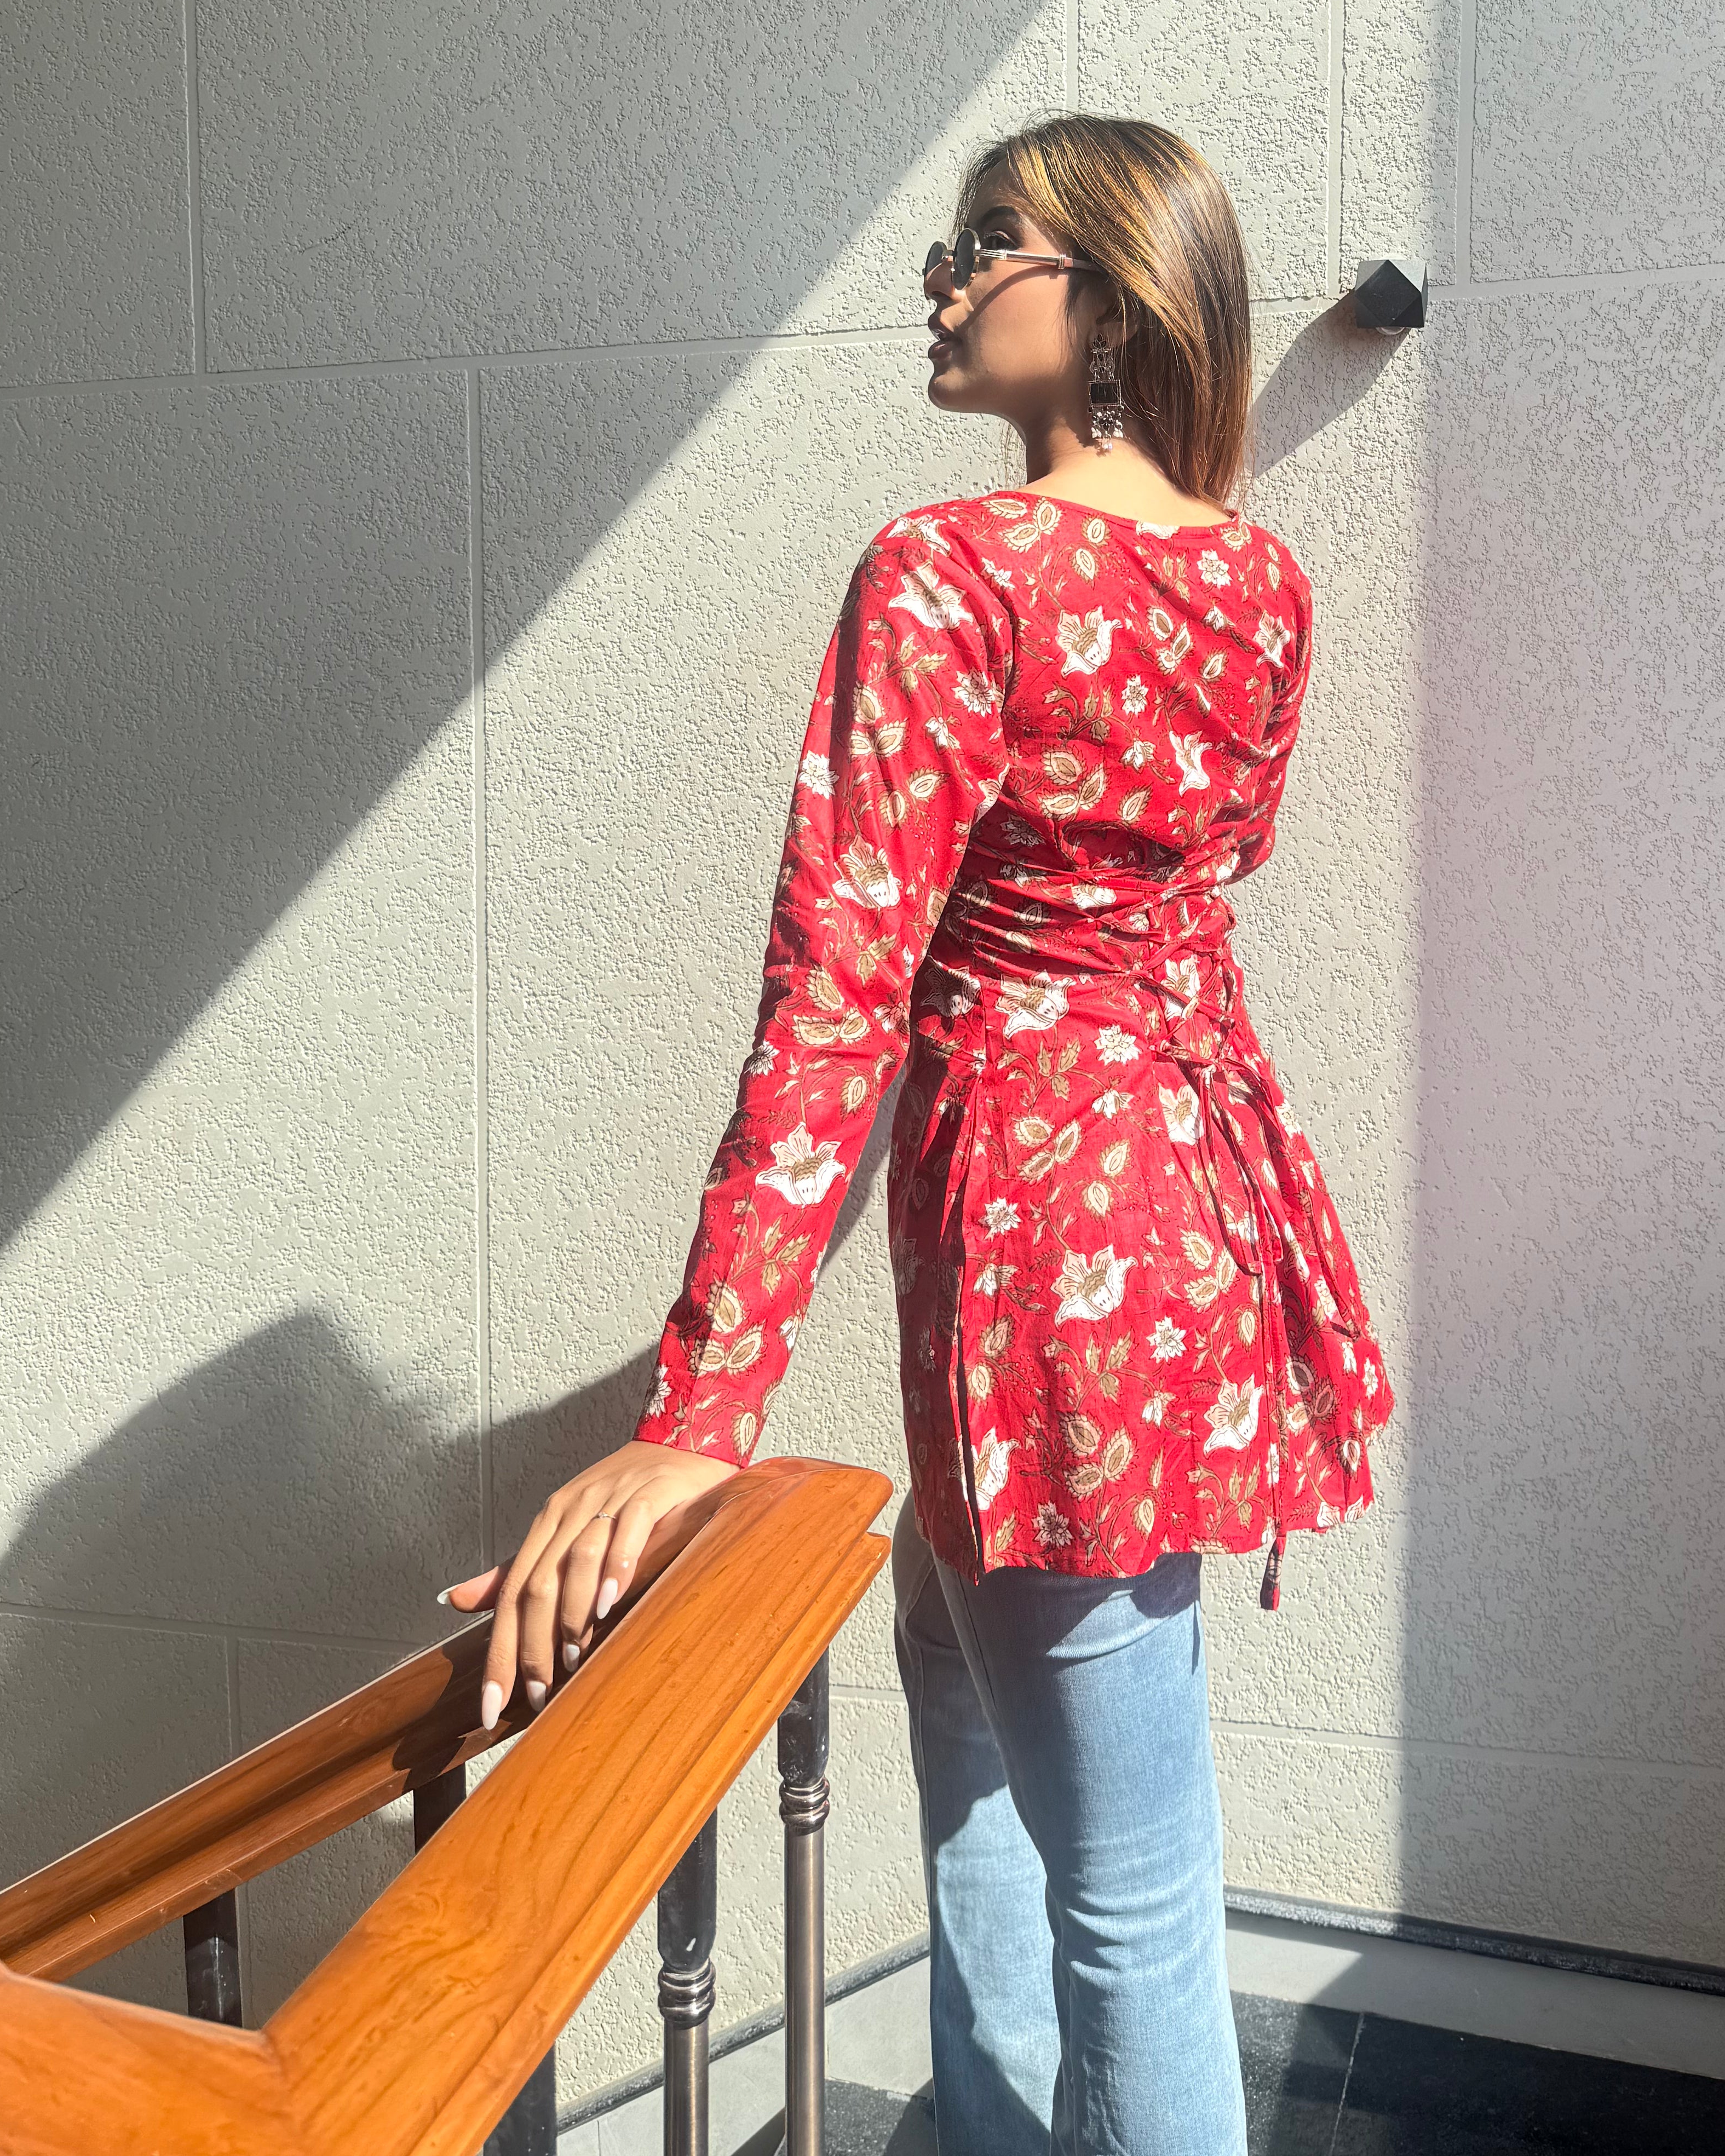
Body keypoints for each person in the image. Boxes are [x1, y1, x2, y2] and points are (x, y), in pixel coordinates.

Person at [444, 114, 1393, 2154]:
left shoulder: (953, 570)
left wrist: (702, 1409)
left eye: (987, 245)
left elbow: (838, 990)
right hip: (1193, 1203)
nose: (943, 283)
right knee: (966, 1719)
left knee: (1128, 1888)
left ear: (1112, 297)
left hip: (1040, 1244)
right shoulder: (1257, 585)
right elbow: (1210, 868)